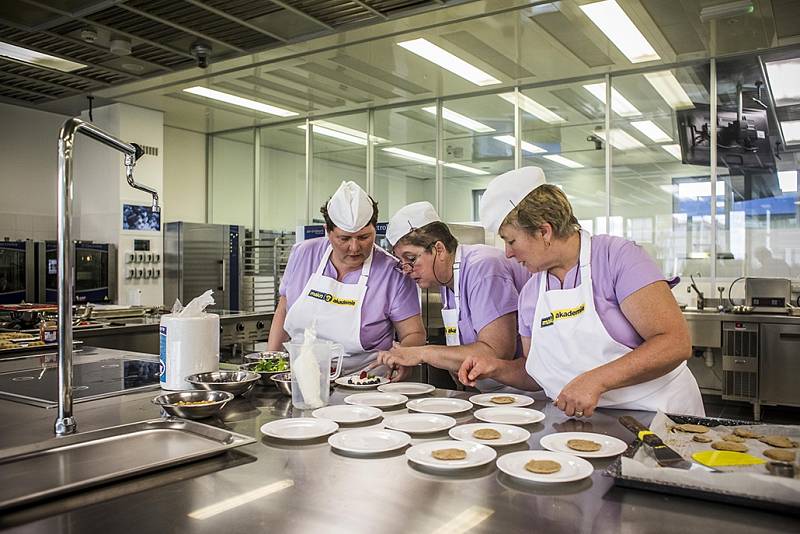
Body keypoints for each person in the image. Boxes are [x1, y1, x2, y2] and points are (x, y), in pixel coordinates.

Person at [458, 167, 704, 417]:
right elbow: (537, 374)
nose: (508, 253)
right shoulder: (532, 293)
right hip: (592, 422)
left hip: (657, 412)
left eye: (511, 241)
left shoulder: (616, 258)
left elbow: (675, 342)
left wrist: (597, 380)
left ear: (544, 231)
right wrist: (497, 368)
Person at [267, 181, 425, 377]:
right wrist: (271, 361)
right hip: (301, 377)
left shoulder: (394, 272)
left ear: (375, 229)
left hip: (367, 381)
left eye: (364, 237)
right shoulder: (303, 254)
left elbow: (413, 334)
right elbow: (283, 310)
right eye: (344, 239)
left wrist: (403, 359)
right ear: (328, 231)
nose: (354, 248)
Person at [373, 202, 530, 390]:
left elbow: (497, 353)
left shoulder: (483, 268)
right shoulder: (447, 281)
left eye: (411, 259)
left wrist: (421, 353)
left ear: (438, 249)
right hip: (493, 394)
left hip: (526, 393)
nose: (406, 270)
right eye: (402, 262)